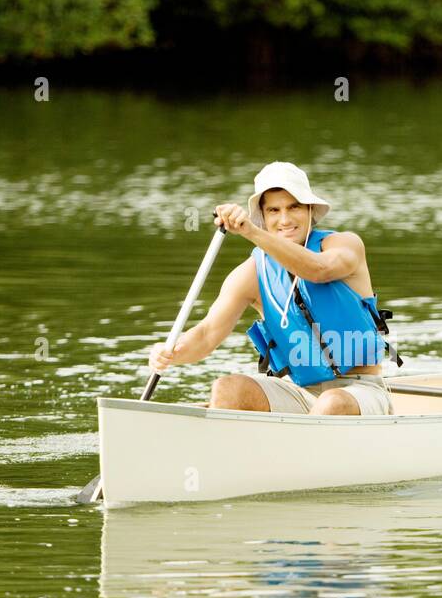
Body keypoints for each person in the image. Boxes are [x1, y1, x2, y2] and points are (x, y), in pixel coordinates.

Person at [148, 161, 400, 415]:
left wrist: (252, 232)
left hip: (361, 391)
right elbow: (206, 334)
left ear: (310, 210)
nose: (285, 219)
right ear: (264, 216)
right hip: (300, 392)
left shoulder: (343, 244)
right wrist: (172, 351)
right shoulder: (252, 273)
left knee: (331, 403)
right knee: (228, 389)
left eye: (294, 207)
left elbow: (317, 270)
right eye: (274, 210)